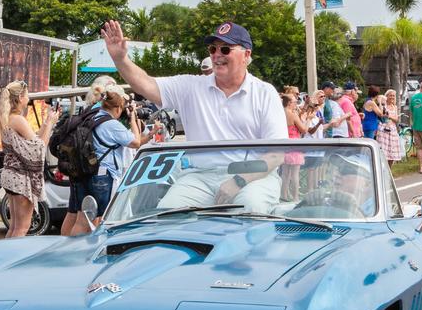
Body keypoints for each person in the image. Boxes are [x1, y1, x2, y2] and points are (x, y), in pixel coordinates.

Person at [100, 19, 286, 212]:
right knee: (168, 214)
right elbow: (147, 85)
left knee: (251, 210)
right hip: (200, 177)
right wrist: (121, 59)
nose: (216, 55)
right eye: (213, 49)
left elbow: (276, 153)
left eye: (225, 50)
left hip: (254, 176)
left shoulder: (265, 93)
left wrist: (238, 181)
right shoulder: (192, 86)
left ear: (246, 55)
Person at [63, 85, 148, 232]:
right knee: (100, 220)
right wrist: (133, 118)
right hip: (102, 176)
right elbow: (136, 142)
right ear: (118, 107)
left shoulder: (90, 116)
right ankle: (96, 252)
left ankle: (71, 251)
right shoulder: (111, 124)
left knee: (82, 219)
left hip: (81, 172)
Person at [0, 81, 57, 238]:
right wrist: (50, 123)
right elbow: (38, 149)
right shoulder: (18, 119)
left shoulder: (8, 118)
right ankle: (13, 260)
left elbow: (33, 141)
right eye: (27, 95)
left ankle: (4, 259)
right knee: (22, 227)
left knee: (14, 226)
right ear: (21, 97)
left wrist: (45, 126)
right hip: (20, 178)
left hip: (10, 175)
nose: (29, 98)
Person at [375, 89, 403, 166]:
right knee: (384, 151)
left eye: (393, 95)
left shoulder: (395, 106)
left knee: (392, 151)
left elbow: (396, 119)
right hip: (383, 129)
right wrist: (380, 102)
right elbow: (381, 115)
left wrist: (389, 116)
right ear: (386, 96)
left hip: (392, 129)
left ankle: (389, 170)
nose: (392, 97)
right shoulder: (383, 106)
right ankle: (382, 169)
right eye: (390, 95)